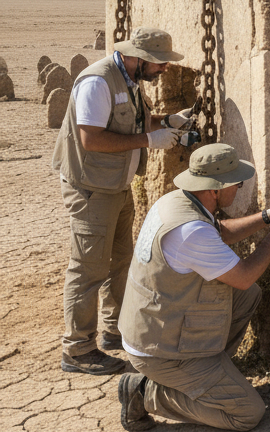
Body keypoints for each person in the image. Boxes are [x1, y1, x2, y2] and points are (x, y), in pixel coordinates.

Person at [116, 143, 270, 432]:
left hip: (157, 325)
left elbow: (221, 233)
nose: (240, 187)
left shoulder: (177, 202)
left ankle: (209, 374)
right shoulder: (190, 232)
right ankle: (144, 392)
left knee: (247, 296)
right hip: (160, 349)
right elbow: (243, 275)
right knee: (248, 414)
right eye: (237, 183)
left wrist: (269, 216)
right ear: (214, 189)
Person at [53, 27, 193, 375]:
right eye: (159, 63)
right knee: (88, 268)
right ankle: (78, 349)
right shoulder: (98, 83)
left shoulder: (129, 80)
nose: (163, 70)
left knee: (121, 259)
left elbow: (132, 122)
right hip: (92, 188)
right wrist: (150, 139)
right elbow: (92, 139)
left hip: (116, 185)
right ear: (138, 57)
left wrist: (168, 121)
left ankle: (113, 329)